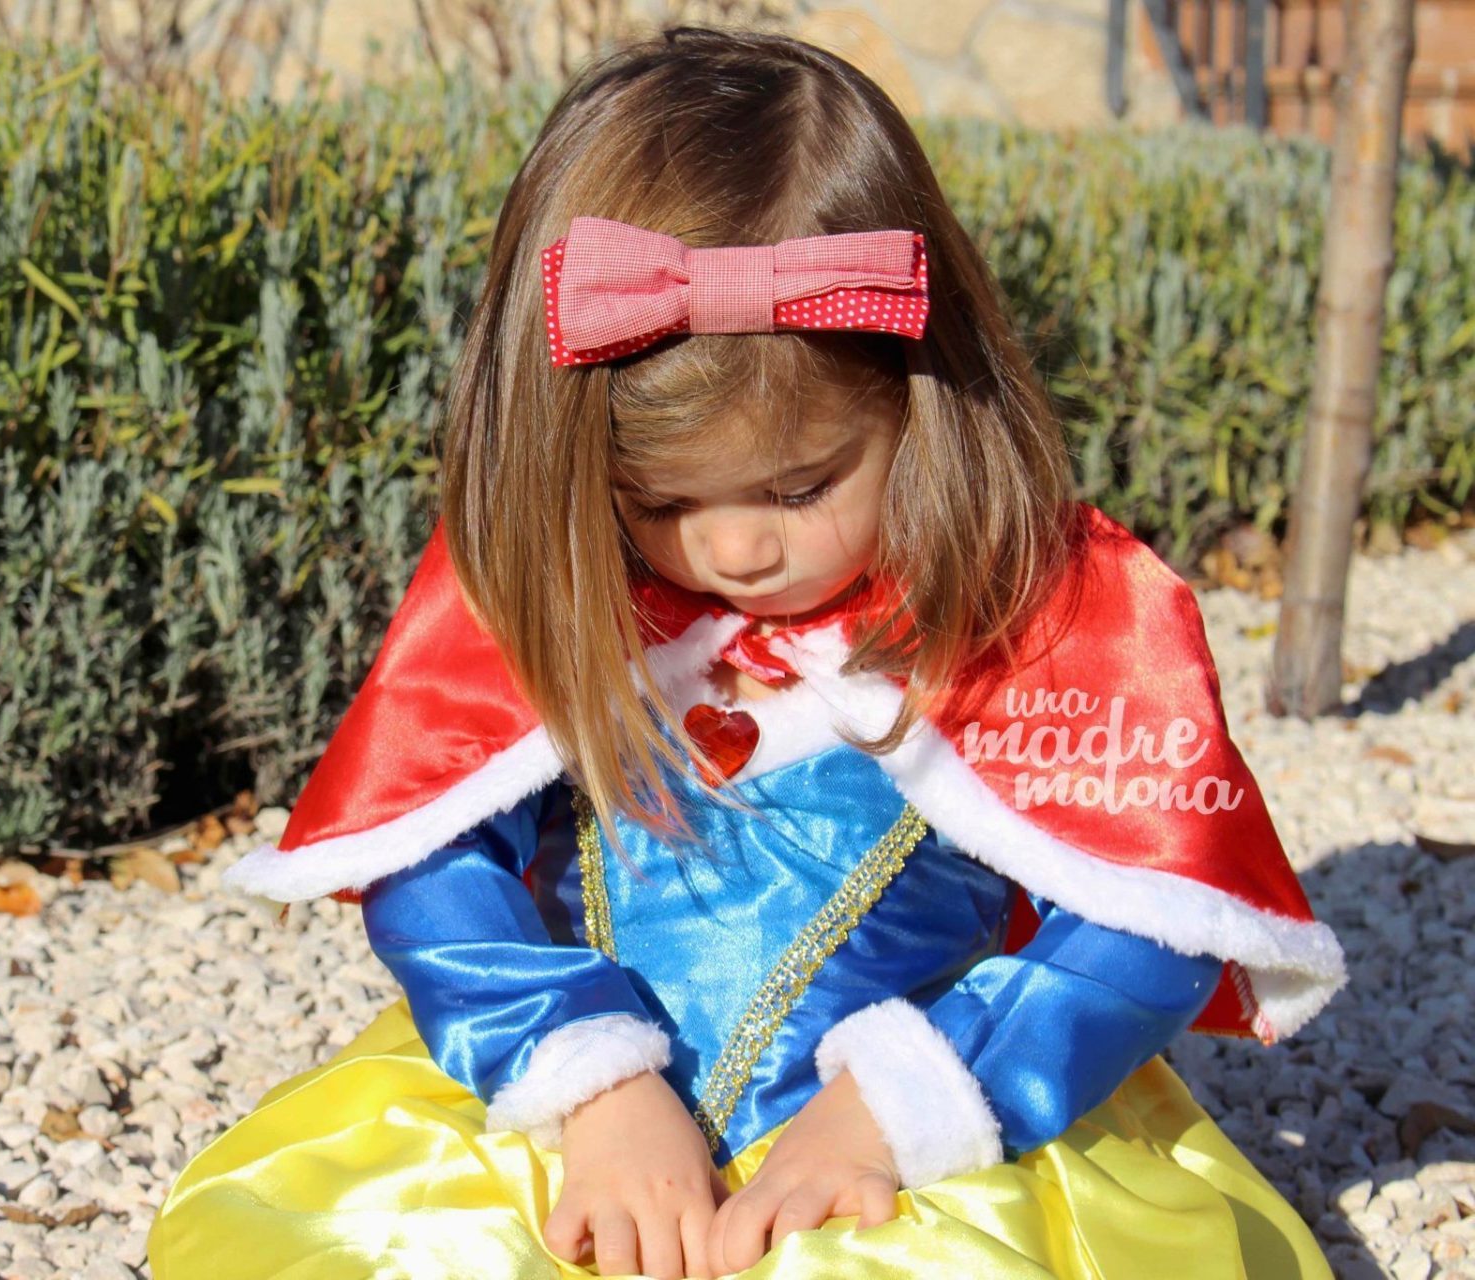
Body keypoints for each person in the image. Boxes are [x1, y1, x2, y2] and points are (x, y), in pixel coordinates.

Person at [149, 25, 1347, 1280]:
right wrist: (589, 1079)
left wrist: (907, 1099)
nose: (732, 549)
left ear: (921, 397)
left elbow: (1148, 921)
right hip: (580, 1127)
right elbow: (435, 865)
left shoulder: (1034, 610)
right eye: (661, 500)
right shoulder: (554, 584)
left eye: (800, 485)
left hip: (906, 1142)